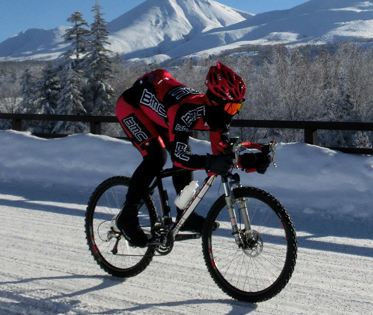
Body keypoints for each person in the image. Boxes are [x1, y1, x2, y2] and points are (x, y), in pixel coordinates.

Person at [115, 62, 271, 247]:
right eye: (230, 108)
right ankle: (127, 217)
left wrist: (249, 161)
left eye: (237, 108)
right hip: (132, 108)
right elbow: (182, 158)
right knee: (156, 158)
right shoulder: (186, 111)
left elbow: (221, 154)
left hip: (162, 113)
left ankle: (184, 214)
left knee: (184, 154)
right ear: (216, 102)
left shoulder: (218, 115)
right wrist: (209, 163)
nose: (232, 114)